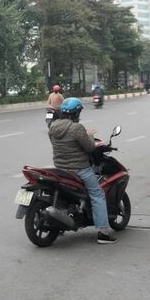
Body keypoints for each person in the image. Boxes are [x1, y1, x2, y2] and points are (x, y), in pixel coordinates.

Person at [48, 97, 116, 244]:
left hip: (60, 169)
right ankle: (103, 233)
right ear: (76, 113)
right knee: (97, 194)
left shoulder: (53, 127)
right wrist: (90, 136)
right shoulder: (77, 128)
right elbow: (90, 148)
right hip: (79, 169)